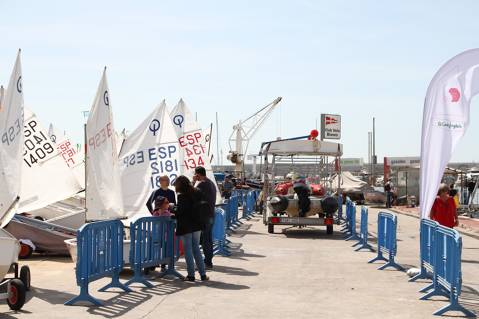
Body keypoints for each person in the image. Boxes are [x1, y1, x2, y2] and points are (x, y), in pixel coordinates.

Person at [174, 175, 209, 282]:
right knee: (196, 249)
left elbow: (180, 211)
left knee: (188, 250)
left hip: (186, 226)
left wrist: (173, 208)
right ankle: (203, 274)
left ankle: (191, 275)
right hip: (197, 224)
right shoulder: (197, 192)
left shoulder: (182, 196)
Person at [193, 166, 217, 269]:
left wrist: (193, 181)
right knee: (208, 238)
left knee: (205, 240)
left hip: (205, 215)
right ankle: (208, 260)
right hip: (211, 214)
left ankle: (207, 262)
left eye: (195, 174)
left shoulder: (202, 184)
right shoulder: (211, 183)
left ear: (198, 174)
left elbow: (190, 194)